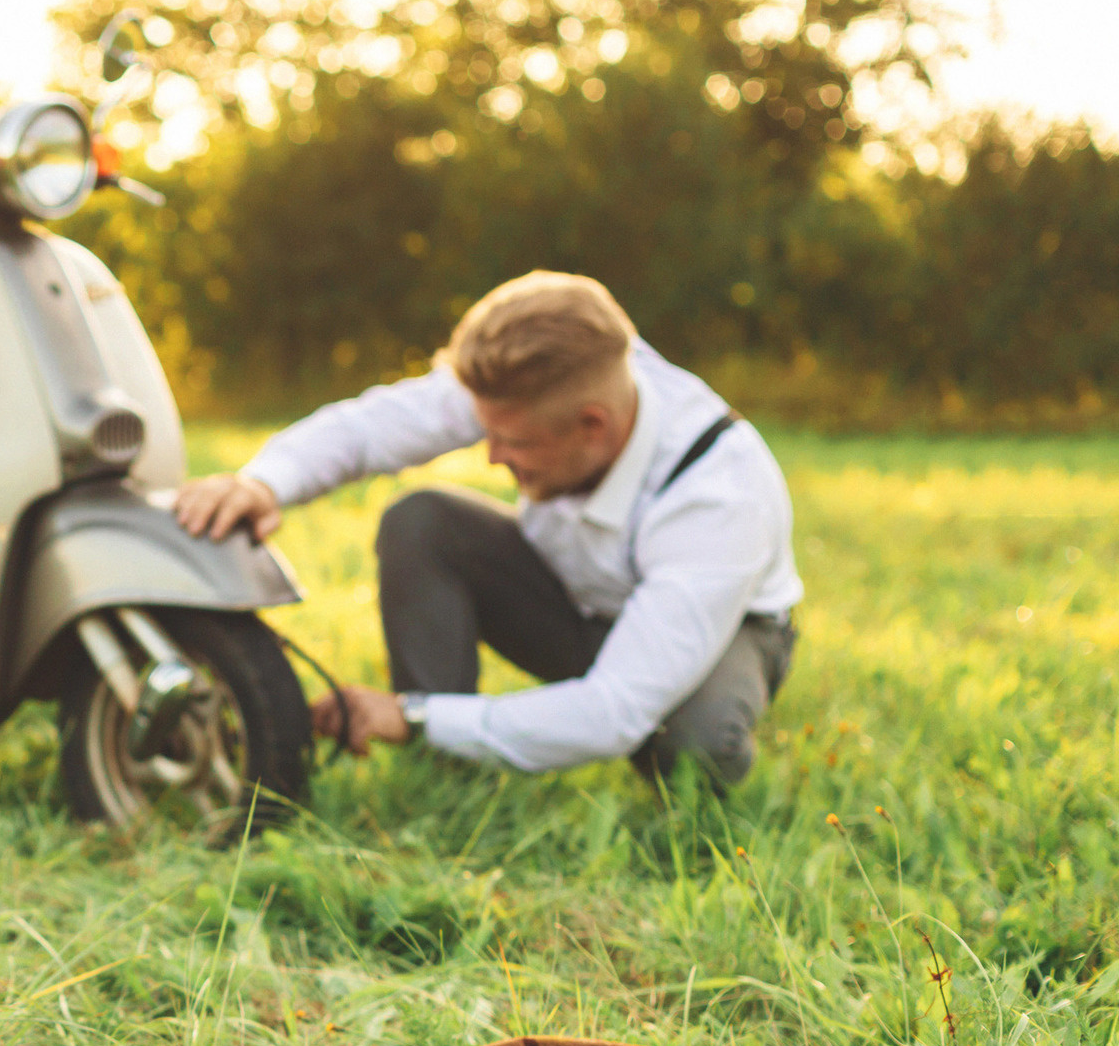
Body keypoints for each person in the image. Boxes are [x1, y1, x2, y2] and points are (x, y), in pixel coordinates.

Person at [175, 272, 801, 785]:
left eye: (514, 443)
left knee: (690, 749)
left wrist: (407, 716)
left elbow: (615, 709)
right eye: (485, 430)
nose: (491, 456)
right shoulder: (541, 381)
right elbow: (374, 427)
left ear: (594, 426)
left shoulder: (719, 495)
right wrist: (262, 482)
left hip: (723, 633)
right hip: (569, 593)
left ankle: (429, 725)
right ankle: (448, 771)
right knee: (421, 520)